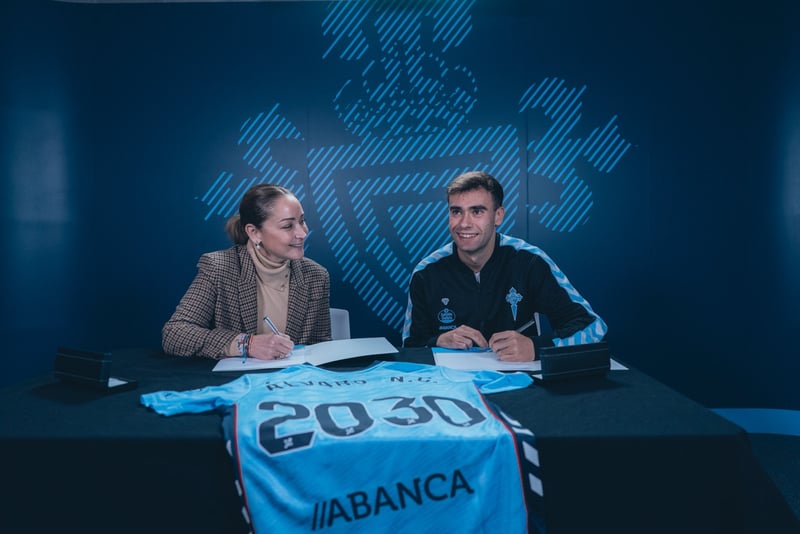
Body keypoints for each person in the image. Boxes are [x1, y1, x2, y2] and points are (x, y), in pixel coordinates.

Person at [402, 170, 607, 361]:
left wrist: (535, 347)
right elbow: (409, 349)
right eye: (456, 211)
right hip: (453, 384)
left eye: (477, 211)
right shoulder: (425, 272)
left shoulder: (530, 261)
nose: (464, 223)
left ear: (498, 215)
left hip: (522, 382)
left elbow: (593, 328)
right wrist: (436, 341)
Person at [162, 184, 331, 360]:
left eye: (302, 221)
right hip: (237, 376)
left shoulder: (316, 276)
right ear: (254, 232)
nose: (302, 233)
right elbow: (175, 334)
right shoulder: (218, 267)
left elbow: (321, 347)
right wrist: (246, 344)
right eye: (288, 226)